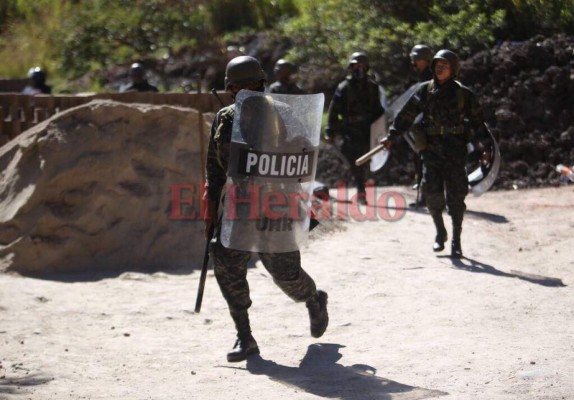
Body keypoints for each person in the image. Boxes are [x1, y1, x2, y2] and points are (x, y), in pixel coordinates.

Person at [204, 55, 329, 362]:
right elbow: (215, 169)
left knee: (285, 275)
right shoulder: (224, 118)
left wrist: (306, 206)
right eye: (238, 87)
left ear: (262, 85)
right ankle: (245, 337)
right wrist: (210, 211)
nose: (244, 91)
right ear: (230, 90)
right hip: (239, 206)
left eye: (250, 85)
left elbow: (303, 162)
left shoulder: (284, 113)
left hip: (277, 207)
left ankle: (314, 299)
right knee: (226, 264)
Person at [380, 49, 488, 258]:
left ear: (453, 69)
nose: (440, 68)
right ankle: (440, 231)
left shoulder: (464, 94)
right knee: (431, 193)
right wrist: (392, 135)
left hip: (456, 152)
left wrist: (486, 147)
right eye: (437, 64)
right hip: (431, 151)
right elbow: (406, 116)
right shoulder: (424, 90)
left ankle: (456, 240)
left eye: (445, 65)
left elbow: (478, 123)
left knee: (456, 197)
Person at [325, 51, 385, 204]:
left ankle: (362, 187)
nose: (360, 68)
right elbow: (334, 110)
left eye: (362, 65)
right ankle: (360, 190)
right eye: (356, 65)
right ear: (351, 67)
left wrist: (384, 127)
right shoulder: (344, 87)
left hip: (367, 129)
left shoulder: (372, 87)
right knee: (354, 160)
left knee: (365, 160)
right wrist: (329, 131)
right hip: (350, 129)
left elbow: (378, 109)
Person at [408, 44, 433, 208]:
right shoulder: (425, 76)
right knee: (422, 161)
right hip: (426, 126)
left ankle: (427, 198)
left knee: (427, 162)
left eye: (415, 60)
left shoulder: (430, 78)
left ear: (424, 60)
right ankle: (426, 197)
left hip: (431, 128)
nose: (413, 63)